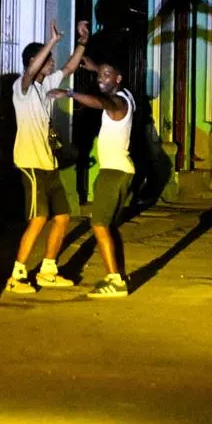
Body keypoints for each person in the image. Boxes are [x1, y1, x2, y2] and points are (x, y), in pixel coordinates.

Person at [5, 18, 90, 294]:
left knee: (63, 216)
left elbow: (70, 67)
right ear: (35, 60)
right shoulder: (23, 87)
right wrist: (52, 41)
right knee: (38, 218)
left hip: (48, 163)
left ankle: (48, 270)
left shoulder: (45, 86)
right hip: (30, 164)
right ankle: (16, 275)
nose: (52, 64)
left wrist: (82, 42)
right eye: (48, 60)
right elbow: (30, 71)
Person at [48, 61, 133, 298]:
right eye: (100, 75)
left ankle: (115, 281)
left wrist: (69, 93)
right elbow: (106, 80)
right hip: (119, 170)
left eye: (107, 75)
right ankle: (118, 275)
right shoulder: (126, 93)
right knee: (108, 226)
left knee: (99, 224)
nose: (100, 78)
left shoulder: (117, 103)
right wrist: (95, 68)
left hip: (113, 171)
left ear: (118, 78)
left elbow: (101, 102)